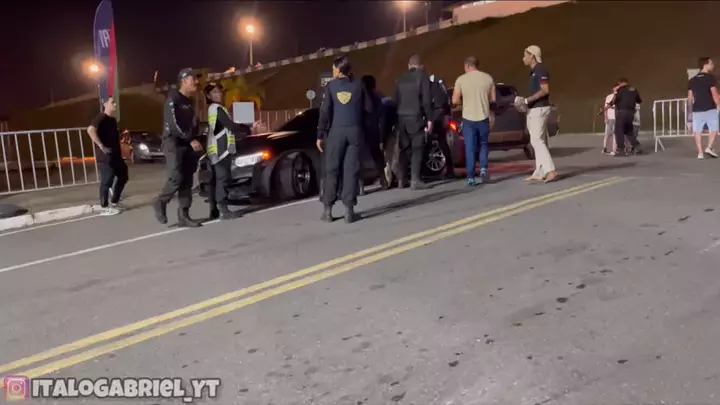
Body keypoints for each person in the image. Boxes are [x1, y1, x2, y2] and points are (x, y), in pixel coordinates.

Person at [316, 55, 373, 223]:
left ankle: (328, 211)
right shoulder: (359, 85)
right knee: (351, 170)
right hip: (355, 132)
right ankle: (349, 211)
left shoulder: (331, 87)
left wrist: (320, 134)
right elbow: (369, 108)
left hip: (337, 132)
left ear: (339, 70)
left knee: (332, 169)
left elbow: (325, 112)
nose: (333, 71)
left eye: (333, 68)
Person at [153, 68, 204, 227]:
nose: (196, 82)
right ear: (184, 80)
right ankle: (160, 201)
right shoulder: (173, 98)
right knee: (176, 176)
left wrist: (196, 138)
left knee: (187, 180)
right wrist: (190, 139)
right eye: (193, 79)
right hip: (173, 143)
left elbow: (194, 125)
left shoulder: (191, 102)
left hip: (187, 143)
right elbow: (173, 125)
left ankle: (184, 216)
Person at [204, 81, 257, 220]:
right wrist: (248, 128)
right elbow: (231, 126)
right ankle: (223, 211)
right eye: (214, 92)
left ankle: (215, 210)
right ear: (208, 96)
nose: (218, 94)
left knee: (217, 180)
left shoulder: (215, 109)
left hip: (219, 150)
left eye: (219, 91)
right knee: (223, 179)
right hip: (220, 150)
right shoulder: (217, 109)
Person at [392, 54, 434, 190]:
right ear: (420, 65)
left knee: (404, 149)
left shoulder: (400, 79)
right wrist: (429, 119)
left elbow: (394, 101)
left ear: (409, 65)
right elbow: (426, 101)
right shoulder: (423, 77)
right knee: (417, 148)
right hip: (416, 118)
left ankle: (402, 179)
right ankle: (415, 180)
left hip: (401, 119)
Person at [518, 45, 559, 182]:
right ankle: (540, 172)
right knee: (536, 140)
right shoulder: (534, 71)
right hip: (534, 109)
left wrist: (527, 100)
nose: (523, 58)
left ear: (532, 56)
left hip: (540, 109)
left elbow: (545, 90)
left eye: (525, 55)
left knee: (536, 140)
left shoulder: (540, 69)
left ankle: (550, 170)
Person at [452, 56, 495, 185]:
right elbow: (493, 100)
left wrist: (462, 103)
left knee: (470, 148)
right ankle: (484, 169)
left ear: (467, 66)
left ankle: (471, 177)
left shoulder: (461, 80)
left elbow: (455, 100)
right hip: (483, 117)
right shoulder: (488, 78)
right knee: (484, 145)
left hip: (468, 119)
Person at [86, 97, 128, 216]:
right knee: (107, 179)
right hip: (105, 155)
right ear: (105, 105)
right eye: (112, 102)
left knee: (123, 175)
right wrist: (101, 145)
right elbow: (90, 130)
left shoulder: (112, 120)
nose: (115, 104)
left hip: (116, 155)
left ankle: (114, 202)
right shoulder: (101, 117)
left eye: (115, 102)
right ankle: (104, 207)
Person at [360, 75, 389, 190]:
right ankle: (383, 179)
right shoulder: (377, 95)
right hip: (374, 128)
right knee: (377, 154)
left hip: (363, 128)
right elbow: (382, 113)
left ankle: (360, 185)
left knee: (359, 156)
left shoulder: (361, 96)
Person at [688, 56, 719, 159]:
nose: (713, 65)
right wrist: (718, 104)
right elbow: (714, 93)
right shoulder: (710, 78)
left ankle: (700, 153)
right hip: (710, 108)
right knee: (714, 129)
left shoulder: (692, 80)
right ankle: (709, 147)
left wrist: (689, 112)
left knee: (697, 131)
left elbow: (690, 97)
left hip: (697, 109)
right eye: (711, 63)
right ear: (705, 65)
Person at [429, 74, 457, 179]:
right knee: (442, 142)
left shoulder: (428, 85)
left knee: (430, 141)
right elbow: (448, 102)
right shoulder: (440, 85)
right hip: (441, 115)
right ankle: (449, 169)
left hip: (433, 115)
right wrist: (447, 114)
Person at [606, 78, 642, 156]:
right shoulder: (634, 89)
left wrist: (610, 102)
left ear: (619, 83)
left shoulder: (619, 90)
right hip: (631, 113)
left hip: (621, 113)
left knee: (619, 131)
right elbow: (639, 100)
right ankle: (637, 146)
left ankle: (621, 150)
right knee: (629, 131)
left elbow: (614, 101)